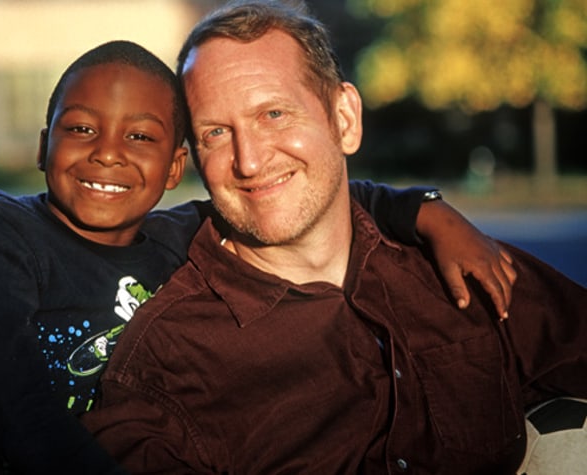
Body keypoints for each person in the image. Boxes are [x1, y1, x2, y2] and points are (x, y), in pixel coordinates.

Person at [0, 39, 510, 475]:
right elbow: (21, 415)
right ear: (44, 144)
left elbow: (307, 196)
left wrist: (424, 209)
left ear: (174, 167)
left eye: (141, 135)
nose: (107, 151)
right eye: (80, 129)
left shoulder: (175, 240)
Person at [80, 2, 587, 474]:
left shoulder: (461, 272)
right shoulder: (170, 364)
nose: (249, 161)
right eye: (216, 133)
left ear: (344, 119)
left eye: (273, 114)